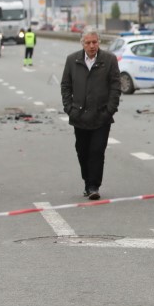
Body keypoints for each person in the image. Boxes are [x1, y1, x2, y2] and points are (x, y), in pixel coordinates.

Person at [60, 31, 120, 200]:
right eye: (88, 43)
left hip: (102, 116)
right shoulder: (72, 60)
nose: (92, 46)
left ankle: (94, 185)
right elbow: (65, 86)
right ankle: (87, 182)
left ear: (99, 42)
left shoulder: (109, 60)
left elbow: (116, 86)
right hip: (79, 116)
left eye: (95, 42)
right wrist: (69, 108)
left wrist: (110, 109)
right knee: (82, 151)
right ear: (82, 44)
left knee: (97, 151)